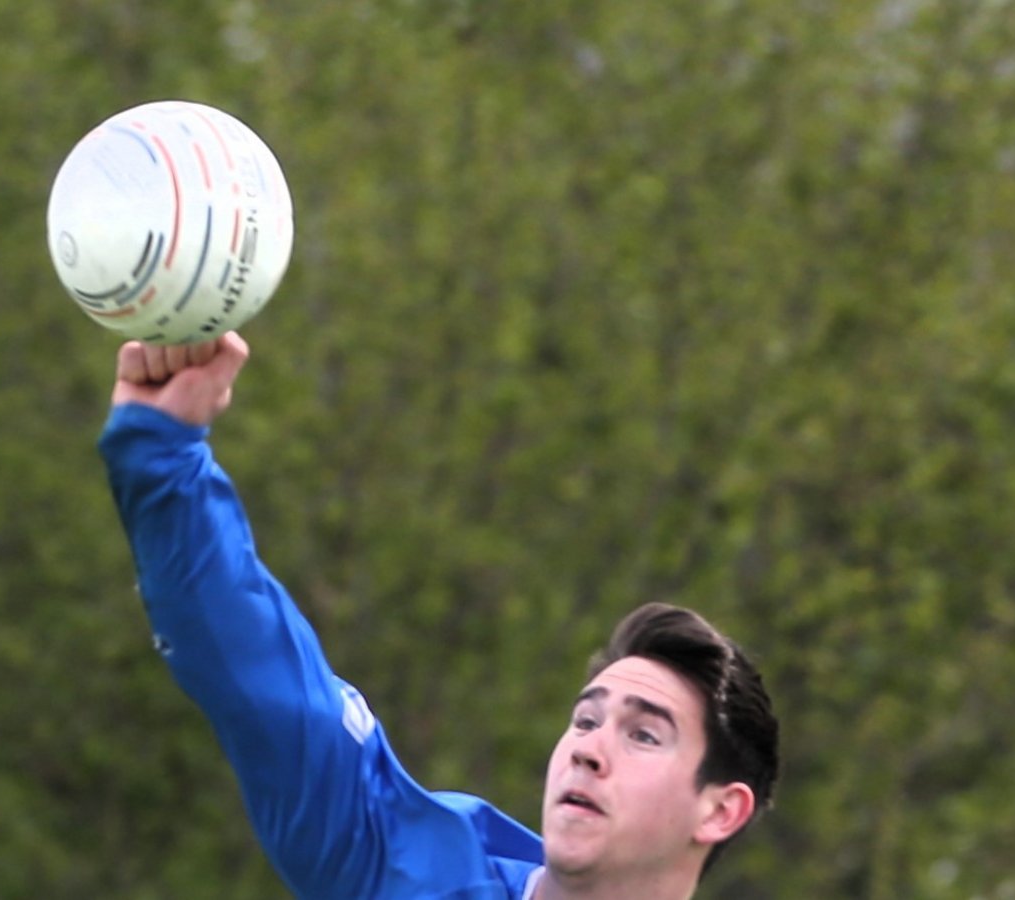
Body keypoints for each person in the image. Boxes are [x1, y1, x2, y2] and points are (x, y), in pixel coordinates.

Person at [99, 332, 780, 899]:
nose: (589, 750)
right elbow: (257, 670)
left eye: (644, 736)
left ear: (720, 809)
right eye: (586, 719)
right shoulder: (411, 873)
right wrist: (164, 455)